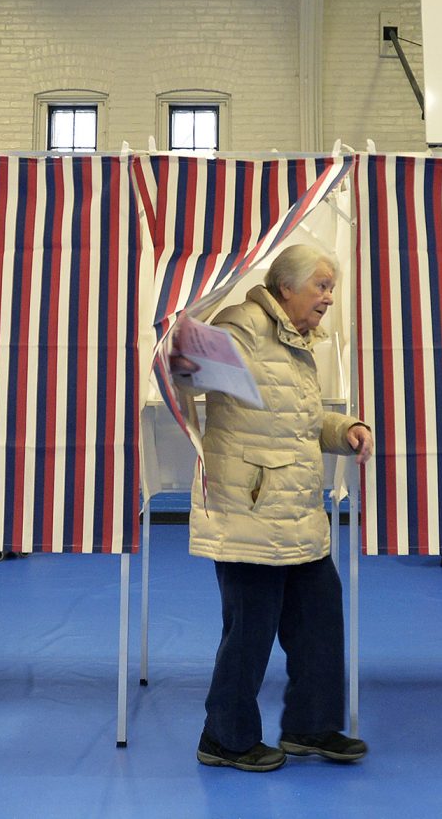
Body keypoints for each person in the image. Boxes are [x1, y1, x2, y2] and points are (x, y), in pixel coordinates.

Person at [168, 243, 375, 773]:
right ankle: (224, 738)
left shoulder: (298, 342)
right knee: (250, 632)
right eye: (321, 286)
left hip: (299, 514)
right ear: (287, 286)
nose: (329, 297)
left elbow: (299, 421)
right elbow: (182, 369)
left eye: (331, 287)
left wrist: (343, 428)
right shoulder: (243, 326)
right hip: (249, 513)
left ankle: (312, 726)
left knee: (320, 622)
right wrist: (185, 341)